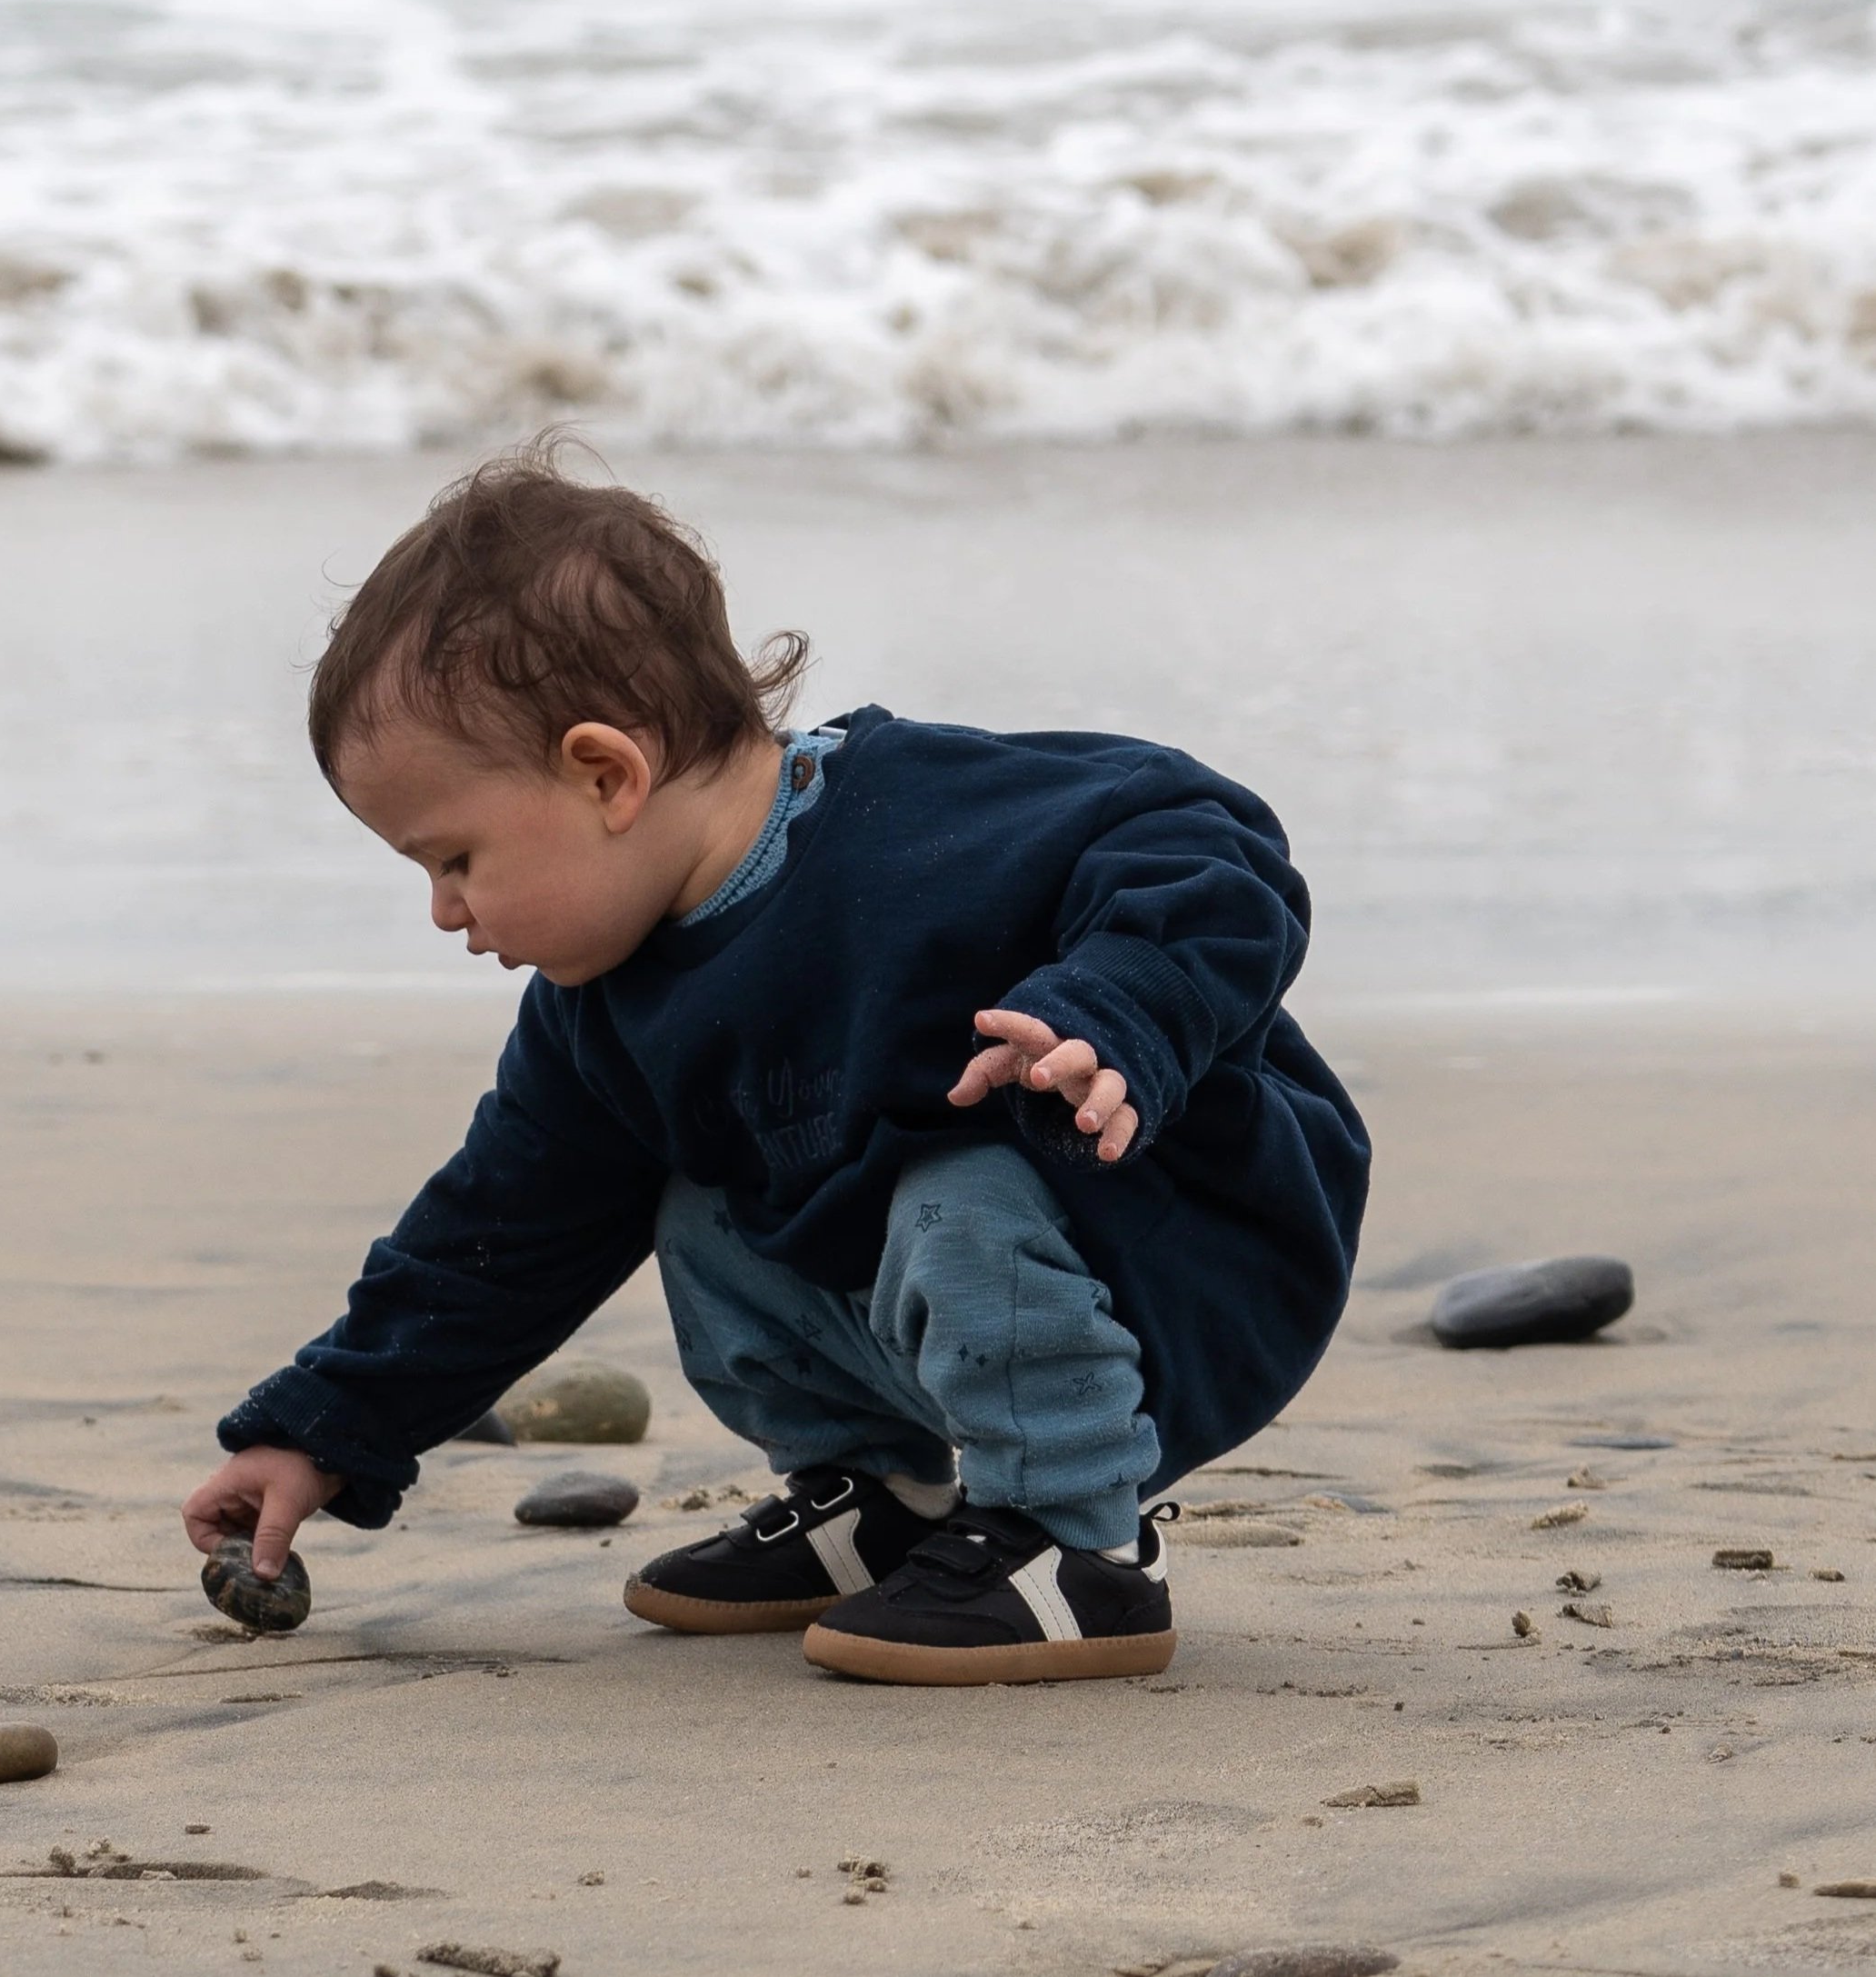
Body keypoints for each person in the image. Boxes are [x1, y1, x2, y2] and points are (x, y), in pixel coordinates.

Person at [182, 436, 1371, 1685]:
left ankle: (1081, 1548)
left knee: (961, 1188)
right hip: (987, 1293)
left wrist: (1114, 1013)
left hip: (1195, 1244)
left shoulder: (923, 821)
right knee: (698, 1210)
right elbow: (495, 1239)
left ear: (605, 774)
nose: (444, 911)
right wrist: (325, 1430)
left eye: (455, 859)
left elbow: (1208, 837)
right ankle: (882, 1504)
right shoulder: (602, 1014)